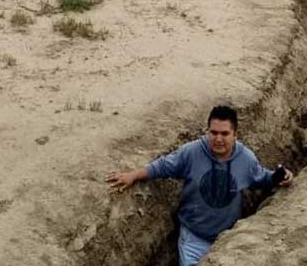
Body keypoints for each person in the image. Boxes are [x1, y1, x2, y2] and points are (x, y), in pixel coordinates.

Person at [106, 105, 294, 266]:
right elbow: (162, 166)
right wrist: (133, 175)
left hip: (229, 240)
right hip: (193, 238)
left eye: (224, 133)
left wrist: (282, 177)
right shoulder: (191, 152)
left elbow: (262, 178)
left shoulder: (246, 159)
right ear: (207, 131)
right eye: (213, 132)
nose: (218, 139)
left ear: (235, 134)